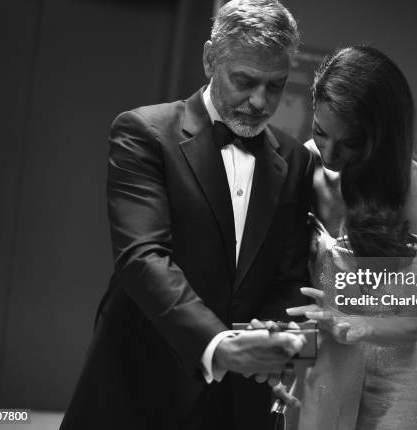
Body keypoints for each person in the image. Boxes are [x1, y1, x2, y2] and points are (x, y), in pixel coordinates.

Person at [59, 1, 313, 429]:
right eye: (245, 81)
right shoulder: (143, 132)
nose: (259, 101)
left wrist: (272, 345)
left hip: (240, 401)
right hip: (140, 380)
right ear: (210, 57)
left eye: (276, 85)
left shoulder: (295, 158)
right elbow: (143, 258)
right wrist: (218, 343)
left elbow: (289, 276)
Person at [286, 45, 417, 429]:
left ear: (380, 136)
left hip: (395, 369)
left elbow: (409, 323)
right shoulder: (302, 165)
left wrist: (351, 321)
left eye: (350, 142)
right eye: (320, 132)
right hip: (327, 356)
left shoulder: (416, 188)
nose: (330, 154)